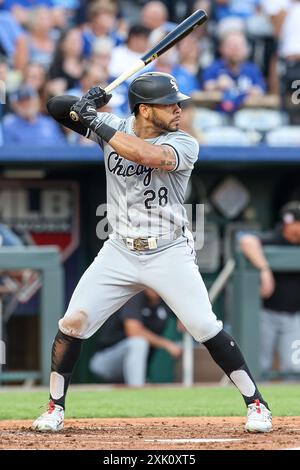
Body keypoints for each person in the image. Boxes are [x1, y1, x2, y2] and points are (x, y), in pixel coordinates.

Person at [32, 71, 272, 433]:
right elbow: (55, 107)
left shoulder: (184, 143)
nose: (178, 109)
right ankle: (54, 408)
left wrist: (94, 120)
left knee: (205, 326)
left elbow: (145, 154)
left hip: (168, 250)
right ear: (145, 110)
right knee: (73, 323)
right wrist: (87, 103)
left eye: (178, 103)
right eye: (169, 104)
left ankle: (257, 404)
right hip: (119, 250)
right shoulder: (111, 122)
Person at [239, 201, 300, 379]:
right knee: (259, 365)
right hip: (267, 313)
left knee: (294, 366)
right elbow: (246, 240)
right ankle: (258, 404)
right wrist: (265, 270)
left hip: (295, 317)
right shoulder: (275, 238)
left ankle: (294, 406)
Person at [89, 288, 182, 387]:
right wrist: (167, 344)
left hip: (133, 368)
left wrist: (184, 319)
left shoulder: (165, 301)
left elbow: (184, 320)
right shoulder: (134, 296)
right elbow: (134, 332)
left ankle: (138, 384)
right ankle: (137, 391)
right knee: (138, 343)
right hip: (105, 361)